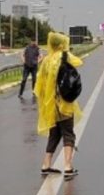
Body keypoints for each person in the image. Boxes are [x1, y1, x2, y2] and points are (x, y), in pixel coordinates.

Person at [35, 32, 83, 177]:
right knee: (68, 133)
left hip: (50, 104)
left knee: (54, 134)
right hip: (64, 102)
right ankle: (68, 166)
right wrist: (66, 53)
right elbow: (79, 62)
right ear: (62, 44)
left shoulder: (46, 60)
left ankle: (46, 164)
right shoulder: (64, 56)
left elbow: (39, 83)